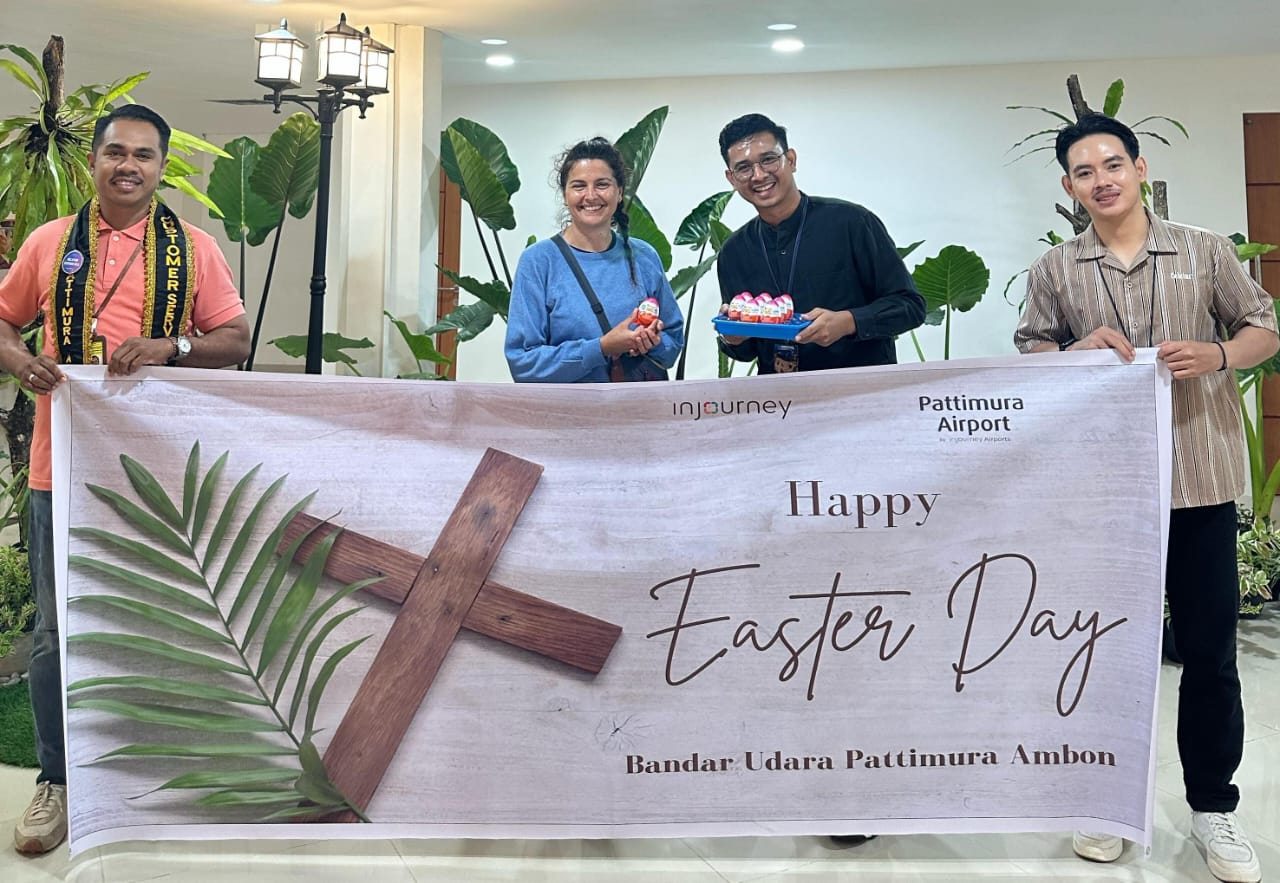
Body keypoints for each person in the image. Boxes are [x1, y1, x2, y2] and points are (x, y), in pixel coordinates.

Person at [1015, 113, 1276, 883]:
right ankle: (1104, 804)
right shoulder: (1056, 269)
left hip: (1199, 483)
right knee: (1103, 649)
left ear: (1139, 168)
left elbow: (1263, 328)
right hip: (1104, 490)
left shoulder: (1205, 249)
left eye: (1112, 164)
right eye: (1084, 171)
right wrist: (1072, 352)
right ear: (1069, 186)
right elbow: (1031, 349)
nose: (1101, 180)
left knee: (1210, 651)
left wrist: (1220, 353)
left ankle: (1213, 806)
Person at [0, 104, 251, 855]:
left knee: (159, 617)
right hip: (60, 466)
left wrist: (172, 345)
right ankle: (58, 782)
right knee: (55, 632)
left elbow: (235, 338)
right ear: (94, 162)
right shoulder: (50, 243)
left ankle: (154, 779)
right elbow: (3, 322)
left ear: (161, 167)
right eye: (116, 152)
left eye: (144, 155)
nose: (128, 166)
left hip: (156, 470)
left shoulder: (194, 249)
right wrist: (22, 361)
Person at [715, 113, 925, 374]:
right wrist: (733, 338)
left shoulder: (852, 223)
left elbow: (910, 306)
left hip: (861, 387)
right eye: (744, 168)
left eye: (768, 159)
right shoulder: (733, 252)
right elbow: (746, 351)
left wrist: (848, 322)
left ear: (791, 160)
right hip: (779, 394)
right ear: (732, 178)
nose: (758, 175)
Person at [505, 137, 684, 383]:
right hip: (568, 407)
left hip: (640, 405)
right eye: (579, 186)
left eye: (602, 184)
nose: (590, 196)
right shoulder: (538, 262)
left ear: (619, 192)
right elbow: (523, 363)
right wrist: (601, 348)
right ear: (565, 195)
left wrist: (651, 342)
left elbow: (673, 342)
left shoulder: (644, 257)